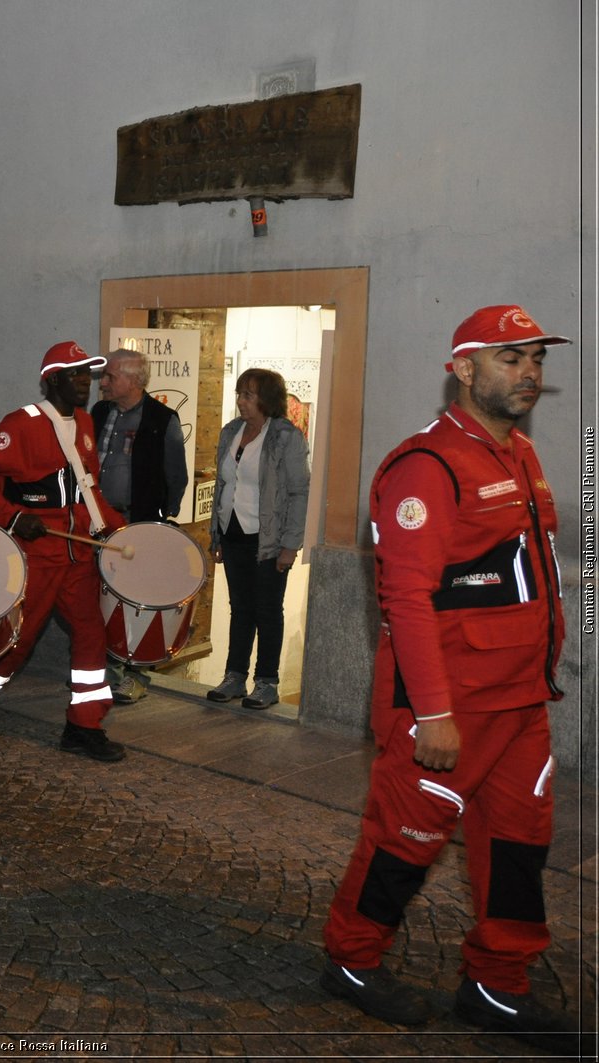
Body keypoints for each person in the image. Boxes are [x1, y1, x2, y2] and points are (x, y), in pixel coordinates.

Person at [319, 306, 576, 1049]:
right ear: (462, 370)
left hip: (521, 700)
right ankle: (352, 959)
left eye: (535, 359)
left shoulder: (520, 454)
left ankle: (499, 984)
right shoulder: (424, 467)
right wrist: (433, 710)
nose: (528, 372)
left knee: (521, 842)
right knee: (407, 838)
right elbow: (405, 598)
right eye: (508, 358)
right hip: (449, 708)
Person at [0, 342, 127, 759]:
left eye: (88, 373)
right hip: (38, 553)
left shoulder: (84, 422)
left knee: (90, 634)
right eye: (75, 374)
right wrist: (11, 516)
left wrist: (120, 530)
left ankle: (84, 725)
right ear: (52, 380)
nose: (85, 381)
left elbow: (89, 490)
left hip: (77, 555)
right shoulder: (22, 424)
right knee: (18, 640)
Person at [205, 368, 310, 710]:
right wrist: (216, 534)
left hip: (269, 538)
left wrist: (290, 545)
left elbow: (298, 492)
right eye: (239, 394)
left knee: (267, 610)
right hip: (234, 533)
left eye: (248, 395)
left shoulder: (285, 437)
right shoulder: (231, 432)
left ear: (266, 399)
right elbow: (223, 486)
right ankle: (235, 676)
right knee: (240, 608)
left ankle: (266, 681)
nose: (241, 401)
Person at [91, 348, 188, 704]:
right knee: (99, 598)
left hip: (138, 523)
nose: (102, 383)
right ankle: (102, 673)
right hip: (97, 523)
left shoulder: (162, 419)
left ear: (133, 381)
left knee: (135, 600)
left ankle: (136, 675)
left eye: (110, 376)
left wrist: (161, 521)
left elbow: (176, 475)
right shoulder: (100, 412)